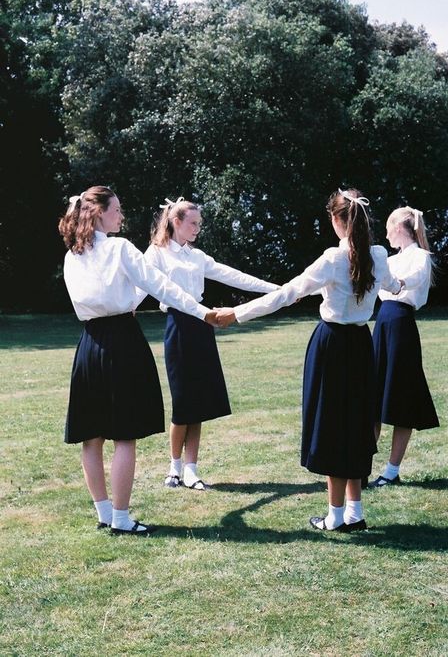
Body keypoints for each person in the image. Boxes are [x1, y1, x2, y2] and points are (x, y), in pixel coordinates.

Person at [215, 189, 403, 531]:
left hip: (331, 345)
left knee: (333, 425)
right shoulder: (378, 253)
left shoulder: (333, 258)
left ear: (335, 220)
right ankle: (354, 512)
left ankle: (335, 516)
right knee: (357, 424)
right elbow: (394, 284)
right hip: (362, 344)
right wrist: (397, 282)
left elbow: (287, 293)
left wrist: (236, 314)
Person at [58, 186, 217, 536]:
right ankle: (121, 517)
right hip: (122, 343)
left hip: (89, 345)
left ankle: (105, 514)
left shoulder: (73, 255)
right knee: (124, 436)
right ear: (98, 213)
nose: (121, 215)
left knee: (92, 437)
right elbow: (163, 287)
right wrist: (203, 312)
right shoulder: (119, 248)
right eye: (116, 209)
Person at [142, 197, 279, 491]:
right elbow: (137, 284)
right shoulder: (156, 253)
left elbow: (234, 276)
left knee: (200, 401)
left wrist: (277, 290)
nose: (197, 229)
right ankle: (174, 467)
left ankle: (191, 469)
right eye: (193, 223)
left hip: (202, 326)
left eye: (199, 224)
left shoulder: (197, 256)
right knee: (182, 402)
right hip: (177, 327)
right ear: (176, 222)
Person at [368, 207, 439, 488]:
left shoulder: (421, 257)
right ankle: (361, 468)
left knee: (400, 396)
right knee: (373, 398)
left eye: (388, 227)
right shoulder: (389, 258)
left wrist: (396, 284)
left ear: (399, 227)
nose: (385, 233)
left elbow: (415, 281)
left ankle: (391, 471)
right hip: (383, 322)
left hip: (401, 324)